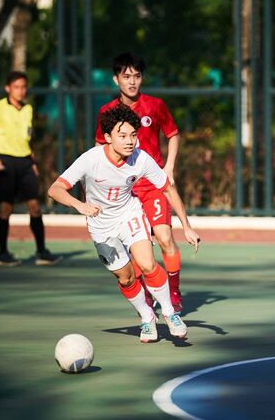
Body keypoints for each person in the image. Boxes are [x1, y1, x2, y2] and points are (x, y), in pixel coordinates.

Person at [48, 104, 200, 343]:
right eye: (122, 135)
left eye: (133, 135)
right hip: (101, 225)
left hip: (130, 215)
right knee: (126, 277)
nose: (130, 141)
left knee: (148, 264)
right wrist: (80, 205)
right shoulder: (91, 159)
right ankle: (147, 317)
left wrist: (186, 226)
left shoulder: (141, 159)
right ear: (108, 137)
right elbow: (55, 189)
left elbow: (168, 189)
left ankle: (170, 313)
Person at [94, 53, 185, 314]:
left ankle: (174, 292)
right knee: (136, 249)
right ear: (116, 79)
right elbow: (99, 148)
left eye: (137, 76)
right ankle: (146, 296)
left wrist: (169, 166)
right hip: (125, 192)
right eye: (126, 76)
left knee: (165, 237)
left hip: (152, 186)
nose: (132, 81)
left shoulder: (155, 105)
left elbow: (173, 134)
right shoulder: (107, 112)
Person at [0, 71, 62, 267]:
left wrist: (32, 162)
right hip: (5, 161)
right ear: (8, 88)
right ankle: (2, 253)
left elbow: (27, 139)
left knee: (35, 206)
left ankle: (42, 252)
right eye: (16, 87)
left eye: (23, 87)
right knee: (6, 208)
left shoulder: (28, 109)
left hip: (25, 163)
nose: (20, 91)